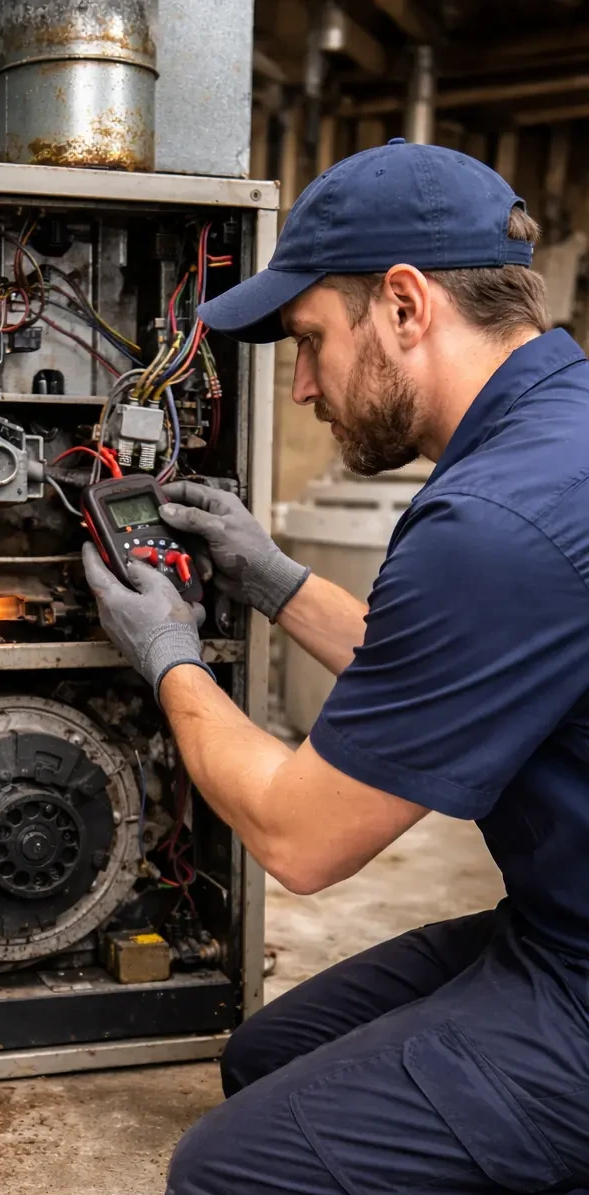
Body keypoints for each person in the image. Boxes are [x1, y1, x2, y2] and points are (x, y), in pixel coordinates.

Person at [82, 138, 589, 1194]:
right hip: (555, 921)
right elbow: (451, 672)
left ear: (405, 305)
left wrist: (169, 652)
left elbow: (299, 837)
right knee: (263, 1056)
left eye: (310, 340)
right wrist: (269, 576)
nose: (303, 387)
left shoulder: (490, 518)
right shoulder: (552, 439)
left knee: (227, 1173)